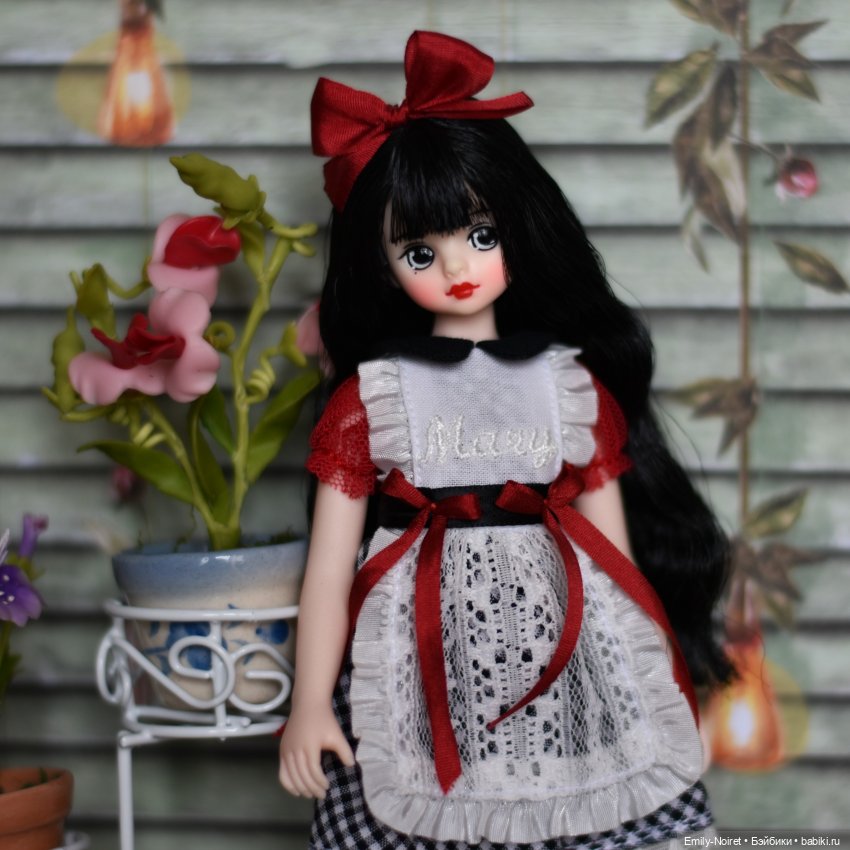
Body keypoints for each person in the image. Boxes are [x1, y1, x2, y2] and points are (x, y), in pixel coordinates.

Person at [279, 30, 731, 850]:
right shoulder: (371, 399)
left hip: (563, 631)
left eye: (481, 236)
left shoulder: (569, 385)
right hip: (423, 637)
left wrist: (649, 667)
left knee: (592, 790)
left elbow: (613, 557)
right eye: (421, 250)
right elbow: (329, 569)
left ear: (522, 231)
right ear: (383, 264)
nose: (458, 267)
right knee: (408, 788)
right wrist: (309, 702)